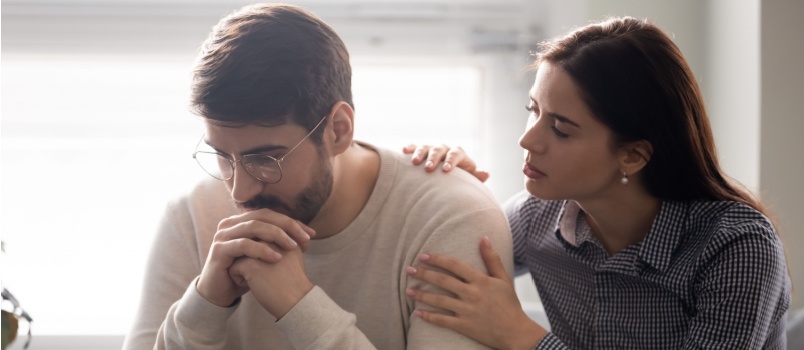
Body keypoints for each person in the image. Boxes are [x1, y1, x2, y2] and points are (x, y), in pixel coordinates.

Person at [121, 3, 513, 349]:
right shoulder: (193, 215)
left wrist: (298, 306)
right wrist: (205, 304)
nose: (239, 190)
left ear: (338, 130)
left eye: (265, 159)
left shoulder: (452, 218)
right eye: (222, 156)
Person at [403, 17, 791, 350]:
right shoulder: (535, 217)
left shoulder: (737, 246)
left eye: (559, 129)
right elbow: (447, 256)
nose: (527, 140)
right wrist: (454, 189)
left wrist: (523, 336)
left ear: (633, 156)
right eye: (532, 111)